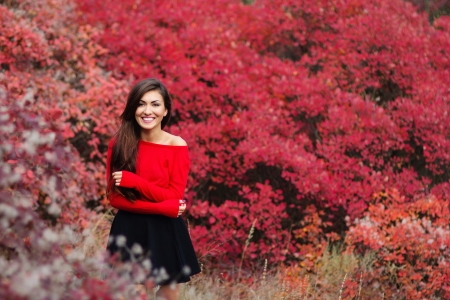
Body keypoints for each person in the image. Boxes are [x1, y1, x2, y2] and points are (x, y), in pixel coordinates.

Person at [105, 78, 200, 300]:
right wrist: (163, 208)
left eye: (155, 104)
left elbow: (174, 197)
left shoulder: (177, 145)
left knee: (168, 294)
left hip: (166, 230)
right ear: (133, 108)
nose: (148, 111)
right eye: (141, 103)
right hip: (129, 229)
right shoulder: (119, 144)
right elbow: (115, 199)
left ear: (166, 110)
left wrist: (135, 182)